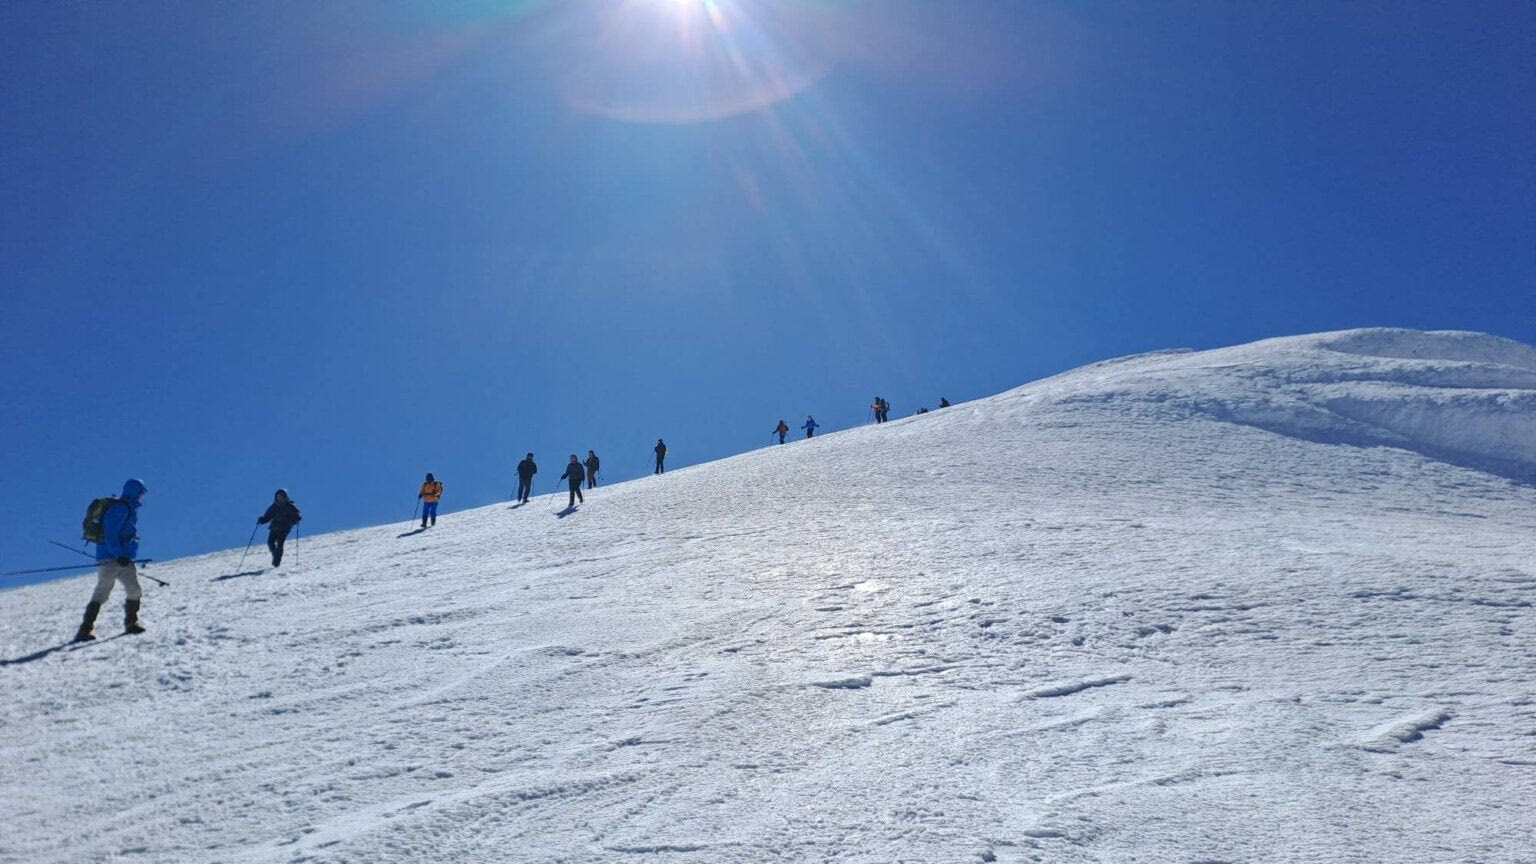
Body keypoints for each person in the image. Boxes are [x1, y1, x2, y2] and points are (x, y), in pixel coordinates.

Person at [74, 478, 147, 642]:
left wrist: (124, 555)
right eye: (142, 493)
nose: (143, 497)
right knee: (102, 592)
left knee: (134, 589)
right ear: (135, 492)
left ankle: (131, 623)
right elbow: (110, 533)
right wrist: (118, 553)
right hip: (110, 558)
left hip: (124, 560)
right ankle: (84, 631)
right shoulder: (120, 509)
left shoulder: (129, 509)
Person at [258, 489, 302, 567]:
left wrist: (297, 518)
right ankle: (276, 556)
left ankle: (277, 559)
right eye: (278, 497)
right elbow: (267, 516)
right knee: (270, 542)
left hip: (285, 527)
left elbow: (297, 514)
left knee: (280, 543)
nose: (279, 498)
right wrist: (262, 520)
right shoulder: (273, 507)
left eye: (281, 497)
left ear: (285, 497)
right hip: (274, 527)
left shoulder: (289, 506)